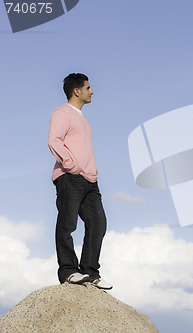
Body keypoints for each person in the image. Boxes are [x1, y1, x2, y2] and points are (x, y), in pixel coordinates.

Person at [48, 73, 112, 289]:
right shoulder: (62, 113)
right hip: (70, 177)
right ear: (77, 91)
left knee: (98, 224)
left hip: (89, 181)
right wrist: (71, 166)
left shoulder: (82, 118)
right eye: (88, 87)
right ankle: (68, 271)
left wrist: (90, 171)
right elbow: (53, 140)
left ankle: (90, 272)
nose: (91, 91)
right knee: (67, 224)